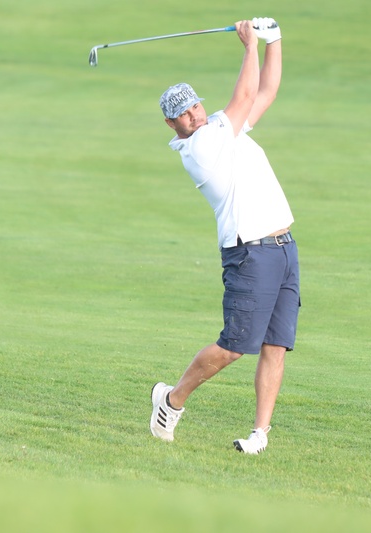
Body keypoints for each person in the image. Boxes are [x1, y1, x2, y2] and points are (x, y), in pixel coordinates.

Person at [150, 17, 299, 455]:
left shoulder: (221, 126)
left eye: (195, 106)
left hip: (283, 248)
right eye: (184, 113)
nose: (193, 115)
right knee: (234, 347)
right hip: (249, 252)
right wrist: (249, 45)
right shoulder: (200, 146)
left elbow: (265, 93)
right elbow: (247, 95)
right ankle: (171, 401)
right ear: (171, 123)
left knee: (275, 345)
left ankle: (259, 435)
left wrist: (273, 40)